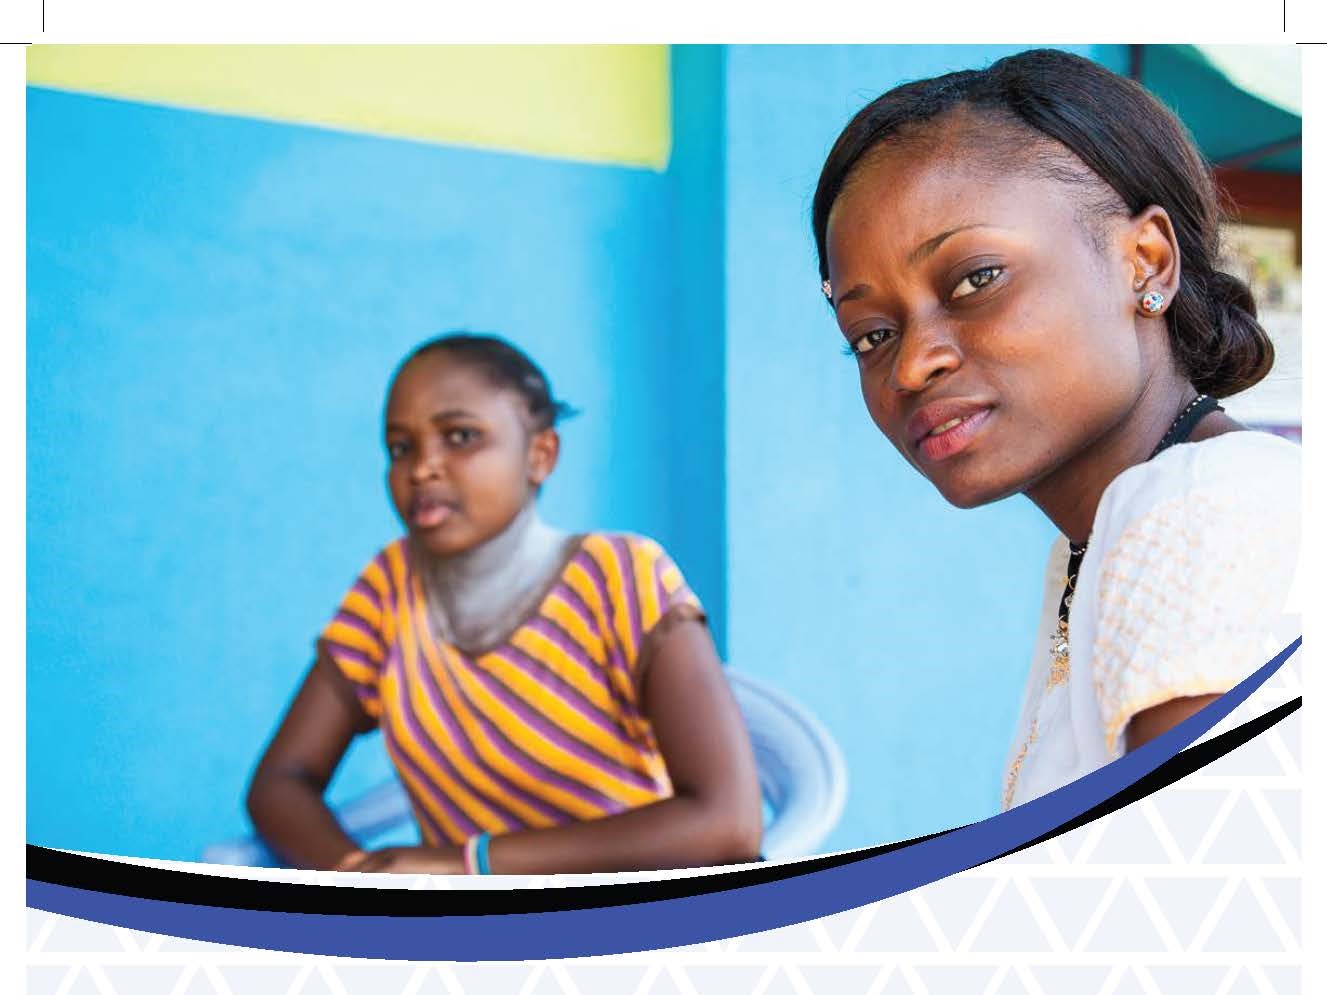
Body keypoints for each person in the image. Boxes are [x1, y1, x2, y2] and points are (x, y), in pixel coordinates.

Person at [810, 49, 1300, 810]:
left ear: (1145, 261)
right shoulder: (1107, 538)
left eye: (975, 279)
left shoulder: (1202, 508)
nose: (911, 365)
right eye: (870, 332)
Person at [247, 334, 762, 871]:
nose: (423, 467)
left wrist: (467, 867)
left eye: (460, 436)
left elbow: (729, 827)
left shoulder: (622, 577)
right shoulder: (389, 590)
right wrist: (361, 874)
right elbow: (281, 782)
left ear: (540, 455)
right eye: (401, 448)